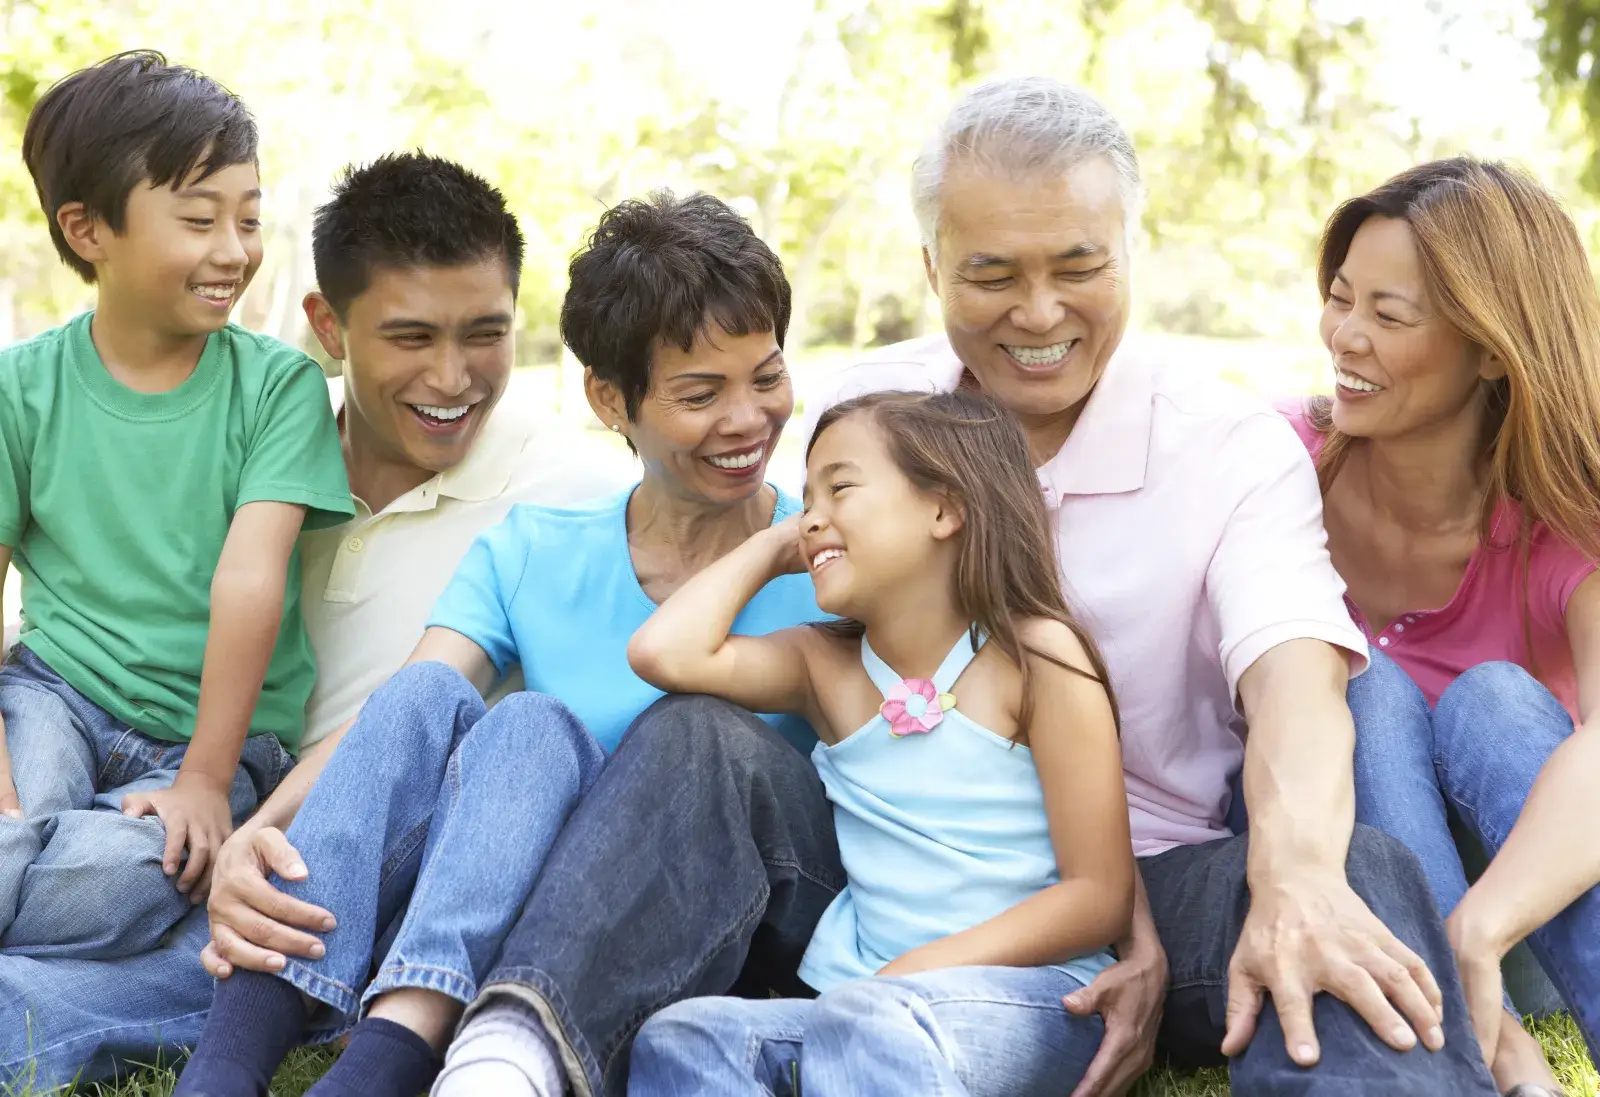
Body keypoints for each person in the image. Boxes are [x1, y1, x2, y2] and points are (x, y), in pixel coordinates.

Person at [441, 76, 1504, 1097]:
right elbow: (814, 658)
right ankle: (516, 1048)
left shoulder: (1226, 445)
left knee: (1348, 870)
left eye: (1078, 266)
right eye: (992, 274)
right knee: (696, 736)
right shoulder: (872, 406)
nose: (1038, 312)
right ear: (931, 262)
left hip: (1150, 879)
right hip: (889, 872)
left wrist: (1288, 876)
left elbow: (1293, 687)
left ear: (1130, 252)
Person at [172, 189, 826, 1097]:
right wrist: (260, 832)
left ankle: (385, 1059)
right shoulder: (536, 549)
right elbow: (400, 711)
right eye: (701, 392)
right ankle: (240, 1062)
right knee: (499, 720)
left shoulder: (828, 562)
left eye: (767, 376)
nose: (750, 419)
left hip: (718, 919)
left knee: (631, 726)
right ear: (611, 397)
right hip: (518, 909)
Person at [0, 151, 630, 1091]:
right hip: (177, 814)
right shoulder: (254, 446)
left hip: (327, 876)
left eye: (484, 333)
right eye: (410, 336)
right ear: (329, 328)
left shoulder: (573, 493)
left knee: (53, 990)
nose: (451, 377)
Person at [622, 389, 1132, 1096]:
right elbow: (663, 652)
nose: (813, 517)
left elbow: (1098, 894)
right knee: (683, 1037)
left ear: (944, 508)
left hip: (1029, 998)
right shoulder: (824, 667)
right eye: (806, 499)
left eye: (841, 487)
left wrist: (911, 975)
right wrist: (774, 544)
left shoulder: (1036, 655)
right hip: (861, 1008)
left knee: (868, 1022)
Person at [0, 49, 352, 967]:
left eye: (247, 219)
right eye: (199, 220)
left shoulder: (277, 388)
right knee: (13, 818)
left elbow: (249, 577)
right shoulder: (21, 387)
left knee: (136, 872)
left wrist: (202, 777)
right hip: (55, 695)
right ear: (87, 230)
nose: (233, 250)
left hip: (214, 740)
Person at [1282, 156, 1600, 1097]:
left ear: (1494, 348)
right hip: (1346, 880)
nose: (1346, 336)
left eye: (1390, 315)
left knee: (1496, 700)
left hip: (1527, 911)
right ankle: (1492, 1062)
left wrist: (1480, 927)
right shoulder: (1282, 464)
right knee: (1361, 686)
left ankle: (1476, 1000)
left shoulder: (1566, 516)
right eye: (1341, 299)